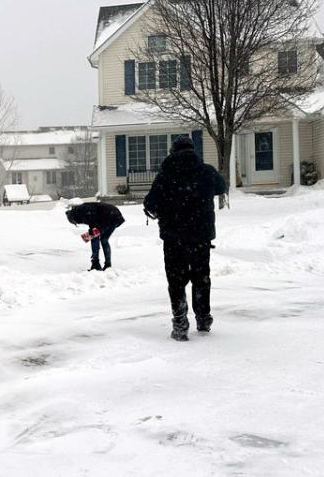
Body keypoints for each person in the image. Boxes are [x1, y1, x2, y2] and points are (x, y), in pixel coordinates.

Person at [143, 135, 228, 342]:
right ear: (193, 150)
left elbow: (150, 203)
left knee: (176, 280)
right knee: (201, 277)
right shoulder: (206, 171)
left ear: (173, 151)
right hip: (201, 236)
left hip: (174, 238)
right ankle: (203, 318)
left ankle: (180, 324)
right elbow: (221, 186)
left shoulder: (165, 175)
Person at [66, 202, 125, 271]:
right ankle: (107, 265)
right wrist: (92, 231)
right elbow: (94, 220)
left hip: (108, 216)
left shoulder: (82, 211)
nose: (76, 224)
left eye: (74, 222)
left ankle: (95, 264)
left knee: (94, 238)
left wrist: (91, 232)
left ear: (73, 217)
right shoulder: (81, 210)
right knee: (104, 239)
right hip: (115, 216)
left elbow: (93, 220)